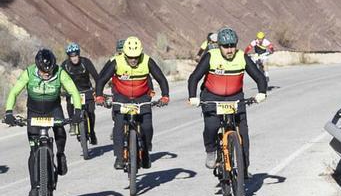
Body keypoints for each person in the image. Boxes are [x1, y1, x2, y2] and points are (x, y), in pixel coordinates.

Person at [4, 49, 82, 196]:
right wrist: (9, 112)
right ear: (37, 67)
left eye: (50, 70)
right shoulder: (29, 73)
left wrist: (78, 111)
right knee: (33, 152)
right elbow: (14, 92)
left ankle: (60, 155)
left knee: (60, 130)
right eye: (43, 71)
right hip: (34, 112)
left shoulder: (60, 72)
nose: (47, 74)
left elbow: (73, 90)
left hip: (54, 110)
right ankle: (33, 190)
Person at [188, 27, 267, 175]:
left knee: (243, 134)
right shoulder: (211, 56)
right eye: (226, 46)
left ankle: (244, 169)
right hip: (211, 97)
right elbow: (194, 77)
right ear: (219, 46)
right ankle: (211, 151)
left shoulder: (242, 57)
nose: (230, 50)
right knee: (212, 126)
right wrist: (193, 96)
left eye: (232, 45)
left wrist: (262, 92)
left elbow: (259, 76)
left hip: (235, 97)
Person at [94, 36, 170, 170]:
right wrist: (99, 96)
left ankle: (145, 152)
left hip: (142, 98)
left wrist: (165, 96)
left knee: (147, 127)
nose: (133, 59)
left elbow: (161, 79)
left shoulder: (147, 61)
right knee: (118, 127)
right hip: (121, 98)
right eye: (130, 57)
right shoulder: (116, 62)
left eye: (136, 56)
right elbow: (101, 79)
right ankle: (119, 156)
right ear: (124, 54)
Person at [61, 42, 99, 145]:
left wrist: (98, 89)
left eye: (76, 55)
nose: (74, 58)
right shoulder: (64, 65)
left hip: (87, 90)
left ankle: (92, 132)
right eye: (71, 56)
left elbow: (96, 76)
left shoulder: (85, 62)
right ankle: (73, 124)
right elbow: (60, 79)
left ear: (79, 54)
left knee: (91, 112)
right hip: (73, 92)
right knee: (69, 106)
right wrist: (62, 91)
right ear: (69, 57)